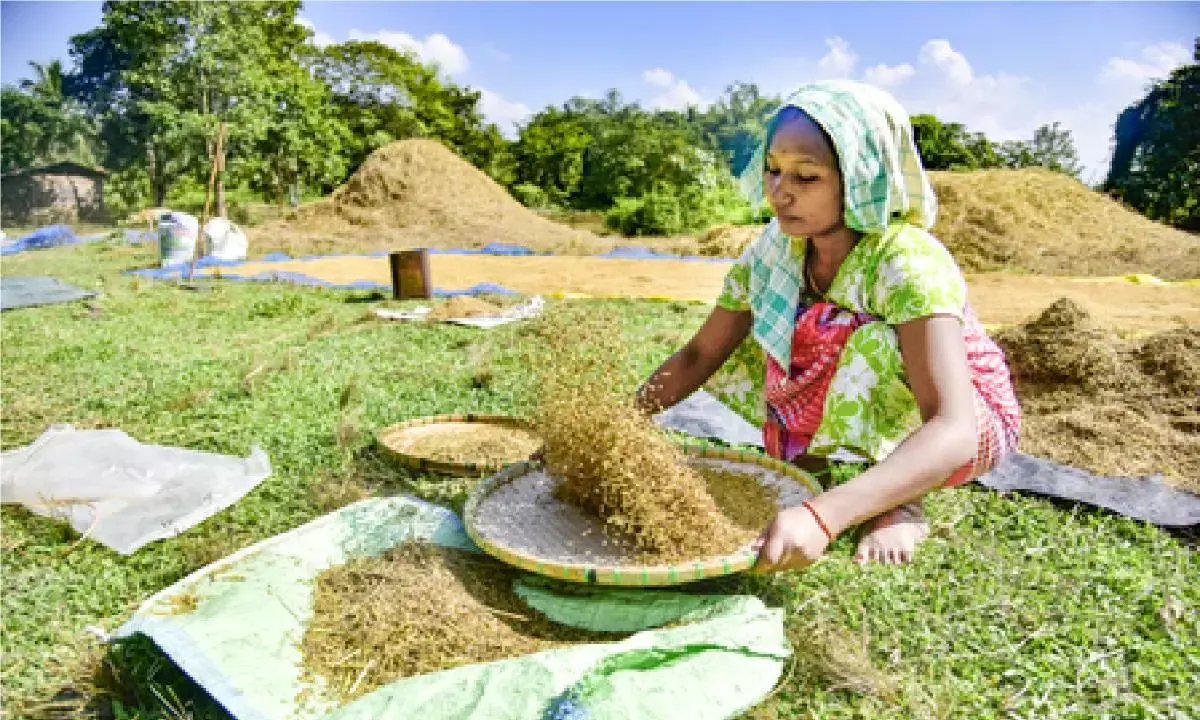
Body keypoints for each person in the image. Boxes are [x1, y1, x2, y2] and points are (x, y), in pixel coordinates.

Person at [635, 81, 1021, 570]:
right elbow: (701, 354)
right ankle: (814, 468)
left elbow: (955, 426)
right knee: (781, 325)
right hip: (925, 416)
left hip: (968, 419)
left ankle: (898, 500)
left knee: (867, 339)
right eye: (773, 170)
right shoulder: (774, 252)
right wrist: (619, 422)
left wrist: (822, 518)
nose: (780, 191)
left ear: (861, 179)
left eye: (807, 177)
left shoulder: (907, 262)